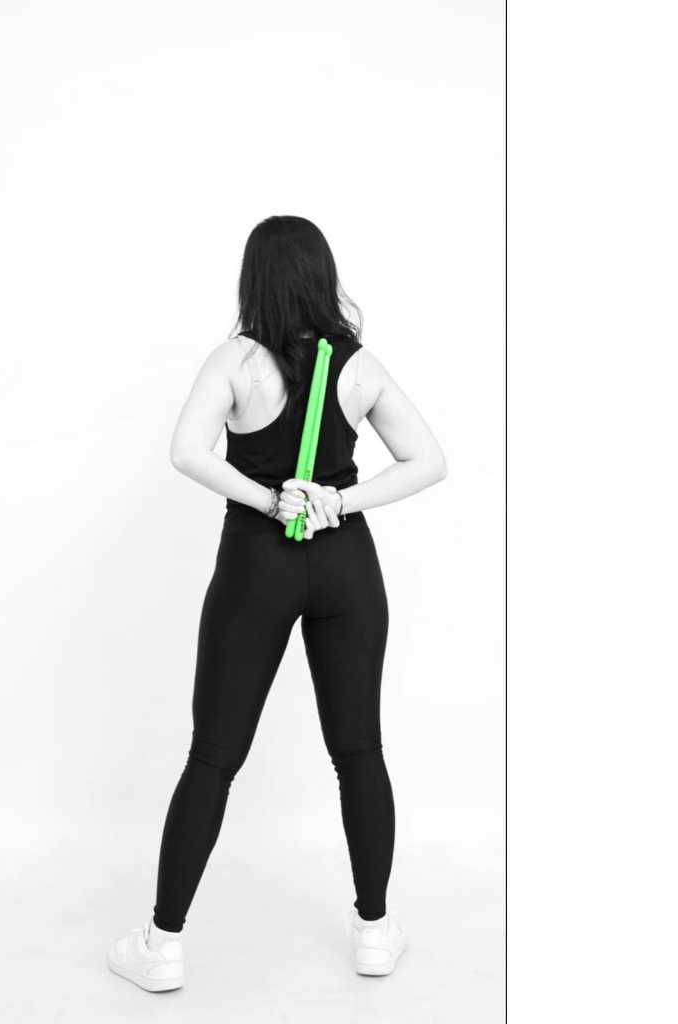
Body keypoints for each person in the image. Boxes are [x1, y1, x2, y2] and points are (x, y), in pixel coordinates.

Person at [107, 215, 447, 992]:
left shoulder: (236, 362)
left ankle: (163, 944)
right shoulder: (357, 367)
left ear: (253, 279)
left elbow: (186, 451)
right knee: (359, 751)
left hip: (256, 566)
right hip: (345, 567)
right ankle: (374, 931)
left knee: (213, 756)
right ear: (324, 276)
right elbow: (428, 460)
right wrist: (339, 501)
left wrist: (270, 499)